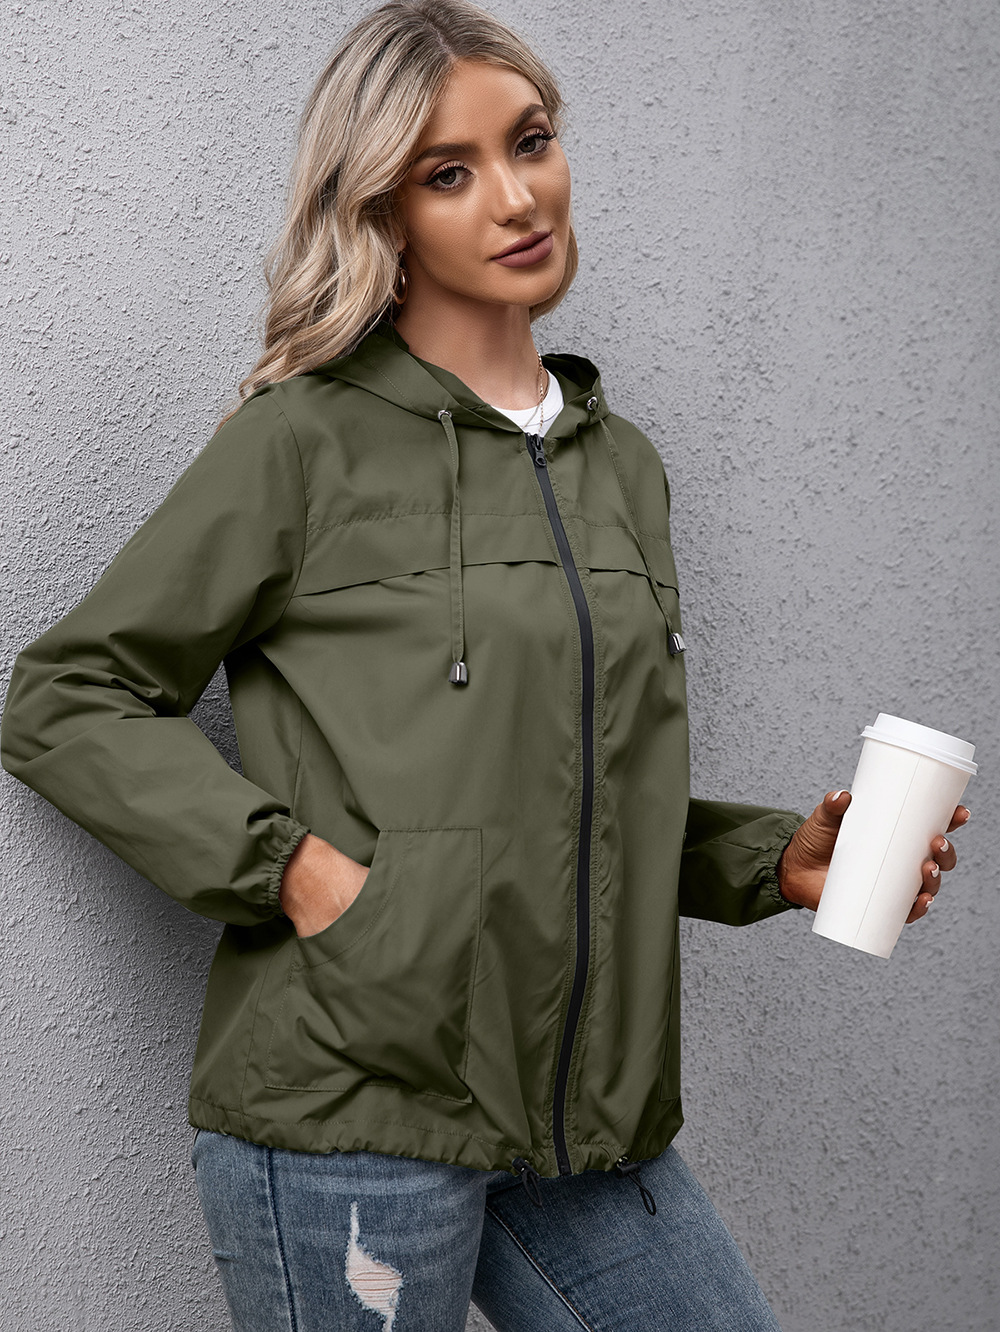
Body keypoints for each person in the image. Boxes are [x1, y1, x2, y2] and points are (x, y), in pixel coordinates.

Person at [0, 3, 969, 1329]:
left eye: (532, 141)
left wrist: (770, 864)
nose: (515, 197)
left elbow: (569, 795)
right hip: (357, 1104)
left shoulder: (622, 468)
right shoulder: (303, 444)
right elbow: (66, 698)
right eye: (448, 173)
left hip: (583, 1116)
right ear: (384, 214)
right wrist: (305, 877)